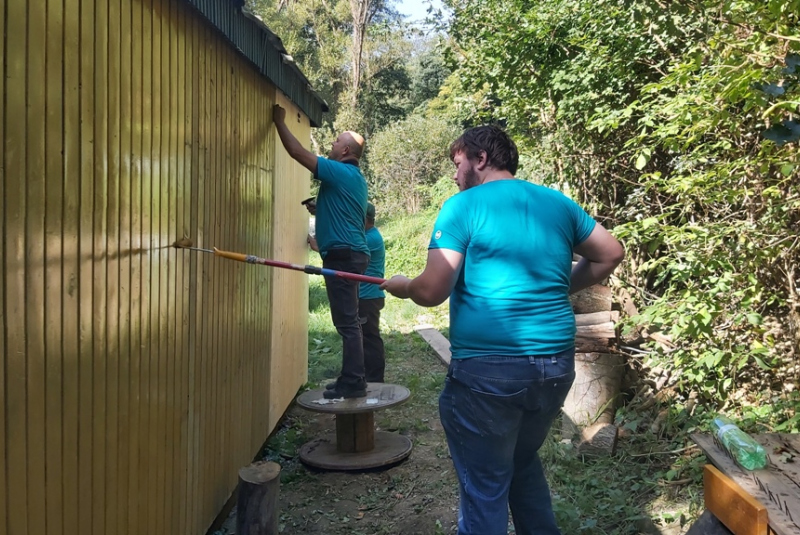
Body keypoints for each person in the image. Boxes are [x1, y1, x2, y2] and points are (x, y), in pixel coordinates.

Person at [381, 125, 625, 535]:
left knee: (485, 484)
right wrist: (555, 286)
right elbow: (610, 252)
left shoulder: (464, 206)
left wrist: (402, 285)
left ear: (479, 159)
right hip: (555, 367)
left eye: (458, 165)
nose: (455, 176)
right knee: (521, 461)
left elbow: (432, 289)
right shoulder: (556, 203)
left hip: (489, 374)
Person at [273, 104, 371, 399]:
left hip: (344, 255)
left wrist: (279, 122)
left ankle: (353, 382)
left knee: (346, 323)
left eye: (337, 141)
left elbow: (298, 153)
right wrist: (322, 208)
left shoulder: (339, 171)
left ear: (345, 152)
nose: (332, 143)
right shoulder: (353, 178)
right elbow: (348, 214)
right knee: (348, 320)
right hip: (351, 254)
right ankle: (351, 378)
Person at [309, 203, 387, 384]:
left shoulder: (369, 239)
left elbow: (344, 250)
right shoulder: (365, 236)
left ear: (364, 219)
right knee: (364, 337)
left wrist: (319, 246)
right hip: (365, 295)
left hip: (368, 297)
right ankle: (366, 377)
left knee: (369, 338)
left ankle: (374, 380)